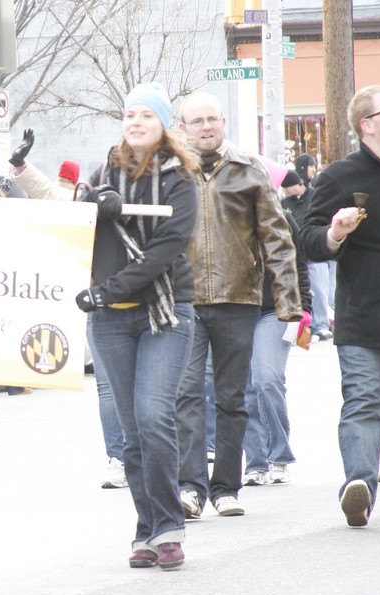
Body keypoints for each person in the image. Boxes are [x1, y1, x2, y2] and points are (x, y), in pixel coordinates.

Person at [76, 82, 198, 569]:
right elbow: (75, 229)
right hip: (108, 321)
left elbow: (167, 248)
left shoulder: (179, 178)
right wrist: (93, 205)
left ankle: (169, 525)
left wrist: (112, 288)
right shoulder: (102, 173)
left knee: (153, 417)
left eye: (147, 115)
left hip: (163, 311)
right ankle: (146, 529)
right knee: (130, 434)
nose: (136, 122)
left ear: (164, 124)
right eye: (130, 114)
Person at [300, 85, 380, 526]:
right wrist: (335, 233)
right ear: (367, 125)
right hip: (365, 312)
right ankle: (358, 486)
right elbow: (308, 238)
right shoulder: (339, 177)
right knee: (363, 401)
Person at [174, 92, 302, 519]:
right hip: (185, 299)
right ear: (183, 127)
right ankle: (190, 487)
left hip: (238, 298)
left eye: (212, 119)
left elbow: (278, 239)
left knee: (232, 396)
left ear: (223, 121)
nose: (206, 127)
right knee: (188, 395)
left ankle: (226, 488)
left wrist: (289, 303)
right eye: (197, 121)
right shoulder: (172, 172)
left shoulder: (249, 170)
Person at [240, 200, 313, 486]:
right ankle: (256, 462)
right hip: (235, 311)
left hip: (275, 311)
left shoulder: (282, 217)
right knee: (243, 389)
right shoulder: (224, 217)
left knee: (266, 379)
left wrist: (305, 306)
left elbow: (299, 265)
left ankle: (280, 456)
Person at [282, 167, 332, 341]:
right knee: (302, 289)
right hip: (297, 251)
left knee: (319, 289)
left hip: (313, 252)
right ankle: (306, 328)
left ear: (297, 184)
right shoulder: (285, 203)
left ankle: (322, 325)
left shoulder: (315, 196)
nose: (285, 191)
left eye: (287, 187)